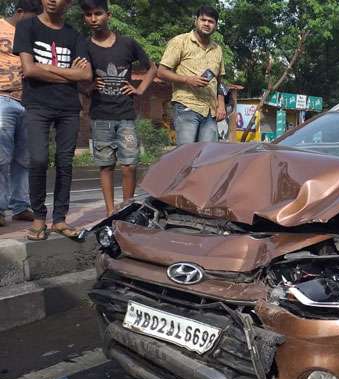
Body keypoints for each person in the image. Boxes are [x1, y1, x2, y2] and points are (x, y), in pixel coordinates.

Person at [13, 0, 92, 240]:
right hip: (37, 104)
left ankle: (59, 219)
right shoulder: (27, 27)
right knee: (37, 159)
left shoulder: (75, 35)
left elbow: (86, 74)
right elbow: (29, 70)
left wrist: (44, 68)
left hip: (68, 107)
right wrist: (69, 76)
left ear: (68, 3)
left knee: (64, 162)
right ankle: (39, 217)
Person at [80, 0, 156, 216]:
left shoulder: (127, 43)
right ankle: (110, 212)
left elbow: (152, 68)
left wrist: (140, 89)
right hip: (100, 115)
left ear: (108, 15)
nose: (93, 19)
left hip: (125, 116)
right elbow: (78, 80)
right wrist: (89, 87)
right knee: (106, 166)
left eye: (98, 13)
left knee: (130, 165)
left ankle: (127, 208)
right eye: (88, 15)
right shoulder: (84, 46)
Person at [157, 5, 226, 145]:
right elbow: (161, 72)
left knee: (207, 156)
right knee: (186, 155)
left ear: (216, 25)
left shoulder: (217, 49)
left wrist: (222, 105)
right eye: (203, 20)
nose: (206, 24)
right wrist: (187, 79)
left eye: (211, 21)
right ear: (196, 21)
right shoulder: (180, 41)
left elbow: (220, 81)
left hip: (210, 111)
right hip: (186, 106)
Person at [0, 0, 42, 227]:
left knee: (24, 158)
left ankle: (19, 206)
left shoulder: (33, 34)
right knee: (1, 156)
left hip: (27, 101)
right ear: (19, 12)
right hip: (1, 98)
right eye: (32, 16)